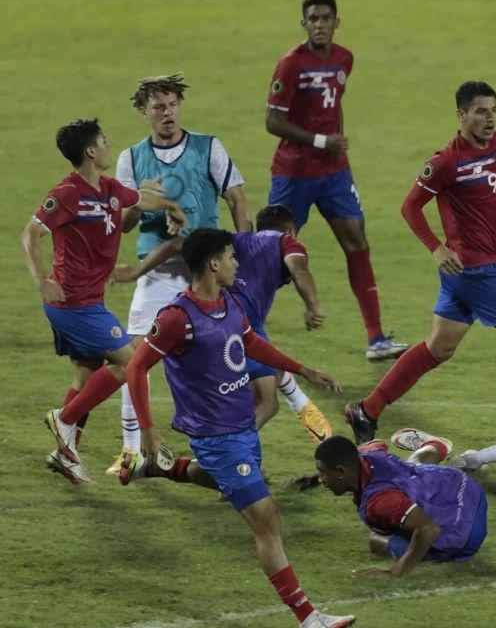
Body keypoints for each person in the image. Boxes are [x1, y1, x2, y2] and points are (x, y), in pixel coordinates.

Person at [120, 228, 354, 628]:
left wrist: (303, 369)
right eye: (230, 257)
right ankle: (308, 617)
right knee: (267, 517)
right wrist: (148, 430)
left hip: (243, 426)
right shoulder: (177, 318)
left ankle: (160, 468)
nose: (237, 263)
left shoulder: (228, 302)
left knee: (218, 481)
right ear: (212, 263)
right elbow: (136, 366)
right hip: (215, 435)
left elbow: (251, 343)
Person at [344, 81, 496, 444]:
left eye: (493, 110)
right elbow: (410, 205)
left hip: (464, 275)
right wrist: (435, 247)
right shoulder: (446, 162)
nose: (489, 118)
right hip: (478, 269)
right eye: (480, 111)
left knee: (438, 348)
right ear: (461, 115)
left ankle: (367, 409)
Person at [22, 118, 184, 484]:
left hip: (89, 301)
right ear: (91, 150)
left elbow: (142, 198)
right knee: (132, 362)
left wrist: (171, 208)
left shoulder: (110, 188)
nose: (110, 145)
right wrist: (40, 281)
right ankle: (63, 420)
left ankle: (66, 453)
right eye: (104, 141)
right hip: (73, 304)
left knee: (86, 377)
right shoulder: (66, 193)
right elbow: (30, 234)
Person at [111, 72, 253, 475]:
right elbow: (123, 223)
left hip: (206, 271)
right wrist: (143, 202)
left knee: (230, 354)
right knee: (135, 357)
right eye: (159, 107)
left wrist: (243, 254)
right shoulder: (131, 158)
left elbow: (237, 200)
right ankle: (131, 450)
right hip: (157, 271)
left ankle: (232, 442)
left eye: (173, 104)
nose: (168, 113)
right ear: (143, 112)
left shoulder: (209, 147)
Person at [265, 0, 406, 362]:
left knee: (356, 239)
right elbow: (273, 121)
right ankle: (239, 321)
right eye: (313, 19)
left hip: (333, 173)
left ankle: (376, 338)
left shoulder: (345, 59)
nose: (320, 25)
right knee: (271, 253)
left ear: (336, 23)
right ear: (304, 24)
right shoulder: (291, 65)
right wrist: (320, 139)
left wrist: (334, 146)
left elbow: (333, 107)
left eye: (326, 18)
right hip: (294, 173)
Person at [115, 204, 333, 442]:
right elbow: (299, 271)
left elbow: (173, 245)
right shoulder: (287, 242)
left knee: (254, 383)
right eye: (232, 260)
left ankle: (293, 407)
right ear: (291, 230)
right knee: (265, 402)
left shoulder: (234, 241)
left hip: (217, 311)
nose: (236, 264)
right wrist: (313, 305)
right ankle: (230, 451)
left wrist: (136, 273)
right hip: (238, 318)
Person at [311, 433, 488, 578]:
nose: (321, 479)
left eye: (322, 474)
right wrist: (317, 479)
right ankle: (435, 445)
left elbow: (429, 529)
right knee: (412, 468)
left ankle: (435, 446)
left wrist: (395, 572)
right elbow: (376, 443)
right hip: (455, 482)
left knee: (376, 541)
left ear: (340, 472)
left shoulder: (380, 501)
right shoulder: (367, 455)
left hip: (466, 533)